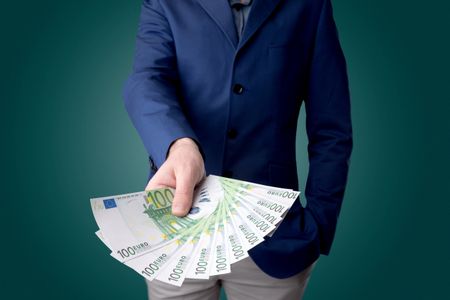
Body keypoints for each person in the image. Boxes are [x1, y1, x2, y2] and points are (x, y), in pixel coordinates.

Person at [123, 0, 353, 299]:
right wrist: (177, 144)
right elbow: (146, 82)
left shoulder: (309, 6)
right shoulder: (165, 2)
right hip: (179, 224)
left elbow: (331, 128)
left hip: (274, 234)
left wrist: (320, 225)